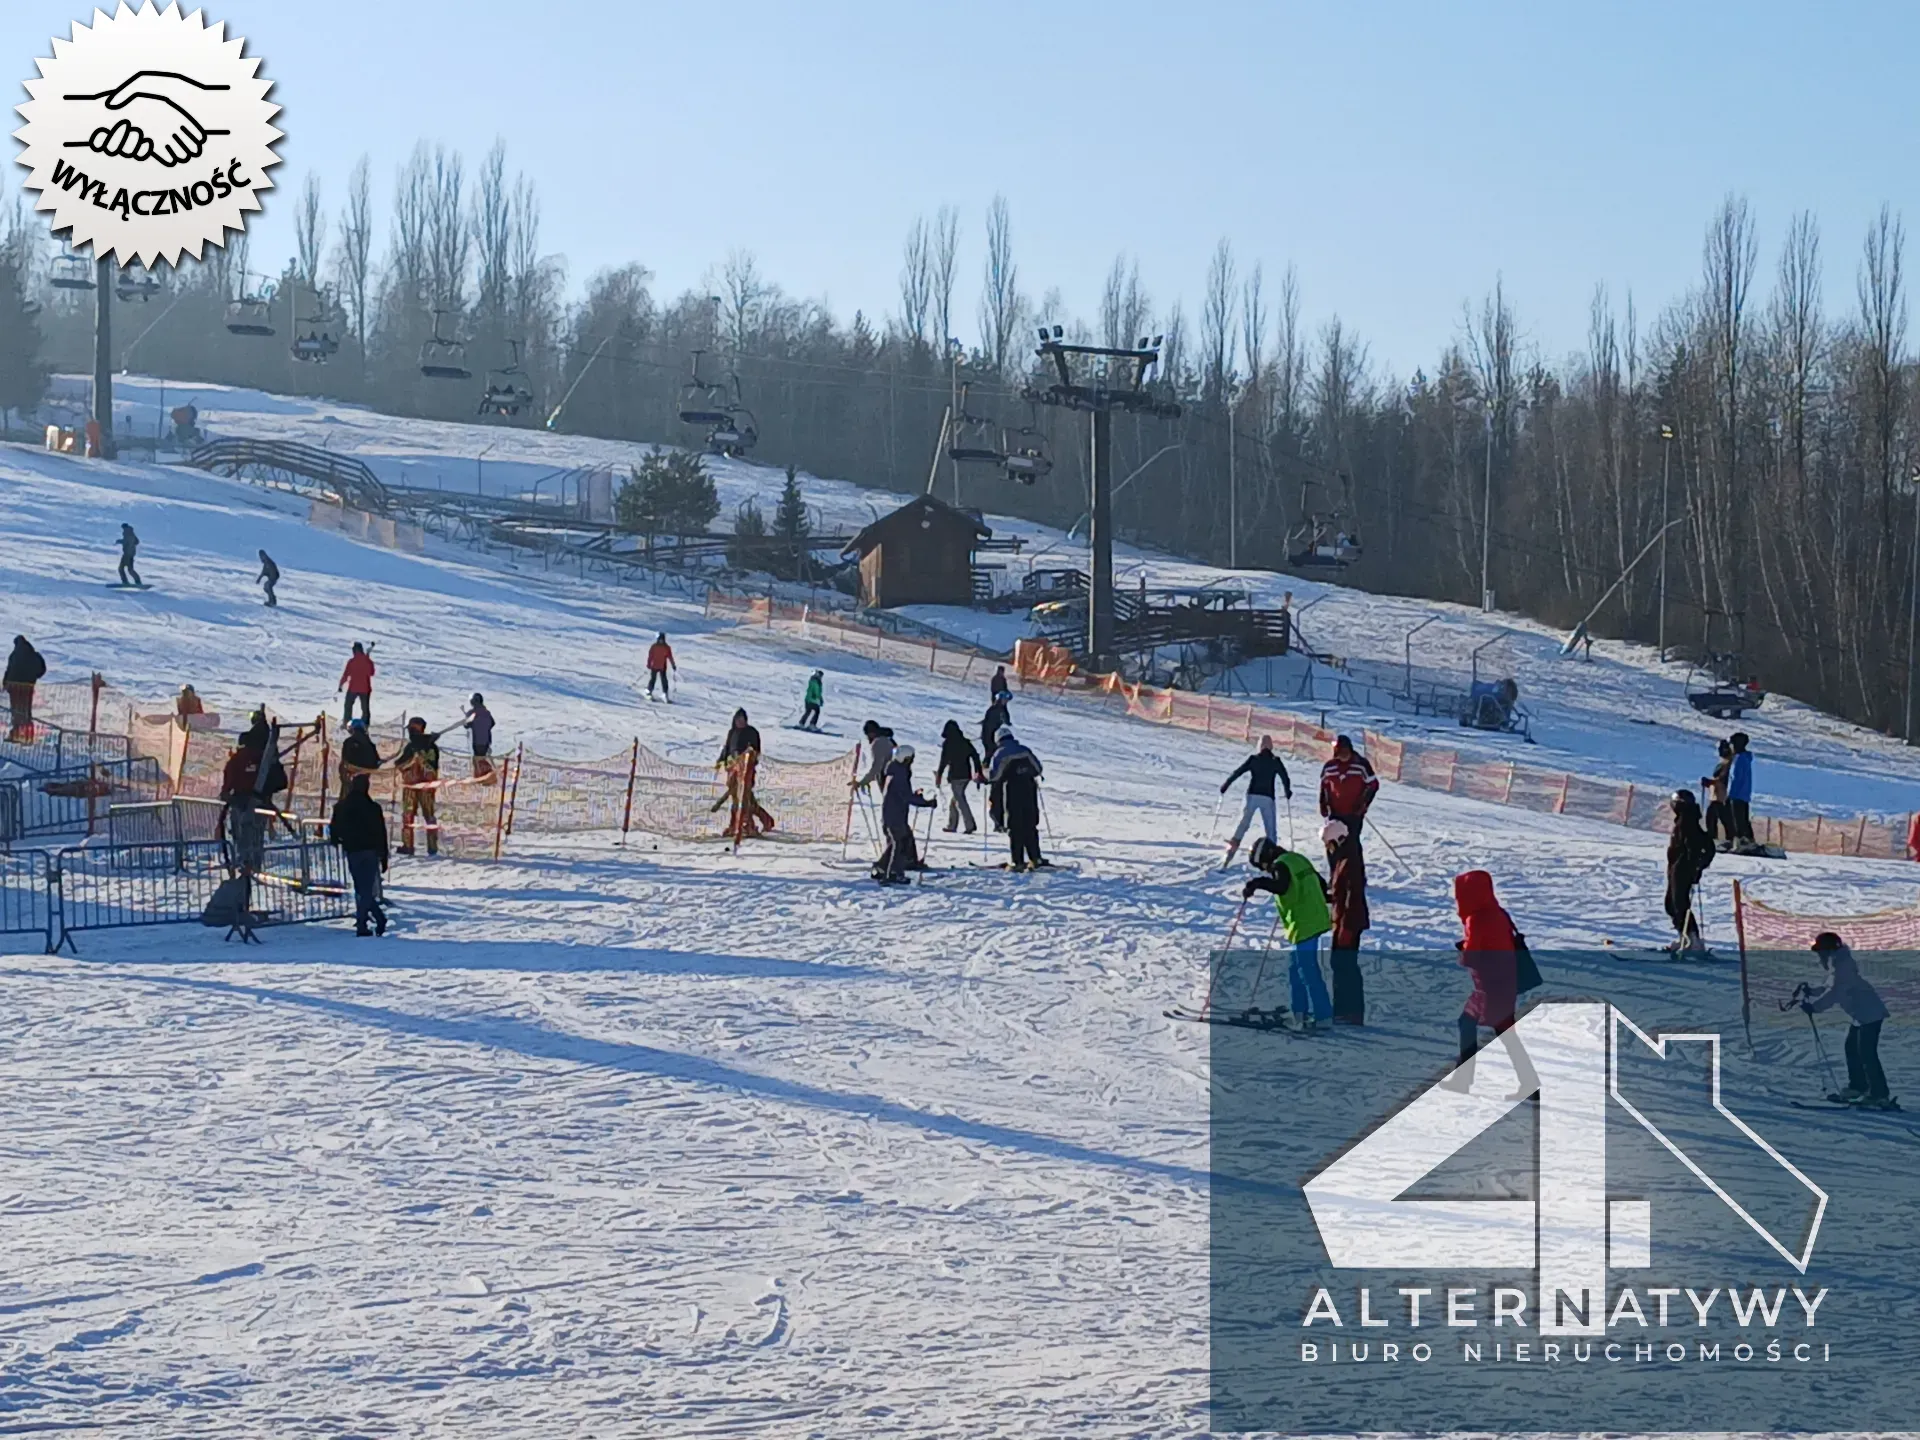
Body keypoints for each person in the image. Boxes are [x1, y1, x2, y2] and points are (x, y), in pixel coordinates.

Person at [1447, 869, 1538, 1096]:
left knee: (1468, 1024)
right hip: (1505, 982)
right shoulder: (1498, 912)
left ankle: (1464, 1079)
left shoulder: (1475, 919)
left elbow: (1472, 957)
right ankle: (1529, 1084)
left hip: (1488, 987)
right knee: (1504, 1032)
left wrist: (1463, 950)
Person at [1241, 837, 1333, 1029]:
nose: (1265, 870)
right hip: (1313, 919)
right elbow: (1321, 883)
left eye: (1262, 866)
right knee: (1295, 969)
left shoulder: (1280, 866)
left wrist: (1257, 884)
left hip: (1304, 922)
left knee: (1307, 970)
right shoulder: (1297, 858)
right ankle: (1299, 1012)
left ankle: (1323, 1016)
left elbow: (1281, 886)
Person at [1801, 932, 1892, 1107]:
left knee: (1867, 1054)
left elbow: (1835, 992)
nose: (1820, 954)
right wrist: (1812, 992)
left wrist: (1814, 1007)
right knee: (1852, 1049)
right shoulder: (1837, 964)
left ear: (1829, 949)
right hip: (1860, 1015)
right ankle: (1858, 1086)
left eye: (1821, 950)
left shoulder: (1842, 966)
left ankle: (1879, 1094)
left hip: (1869, 1015)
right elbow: (1829, 986)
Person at [328, 772, 390, 937]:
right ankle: (374, 919)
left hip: (353, 851)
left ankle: (366, 922)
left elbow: (334, 828)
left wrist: (337, 839)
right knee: (366, 890)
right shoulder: (373, 808)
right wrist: (384, 856)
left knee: (362, 889)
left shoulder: (342, 806)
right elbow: (381, 833)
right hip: (370, 852)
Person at [1220, 735, 1292, 868]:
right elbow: (1285, 777)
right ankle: (1272, 859)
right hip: (1267, 797)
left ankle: (1230, 853)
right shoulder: (1275, 761)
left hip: (1252, 796)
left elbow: (1238, 772)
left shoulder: (1254, 759)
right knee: (1271, 830)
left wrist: (1226, 784)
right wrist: (1287, 791)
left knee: (1243, 824)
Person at [1324, 818, 1370, 1024]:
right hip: (1343, 920)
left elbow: (1352, 895)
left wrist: (1346, 928)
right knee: (1340, 963)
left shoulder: (1350, 860)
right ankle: (1343, 1009)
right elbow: (1340, 892)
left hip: (1349, 922)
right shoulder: (1344, 857)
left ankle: (1350, 1011)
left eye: (1328, 844)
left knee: (1345, 965)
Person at [987, 725, 1048, 871]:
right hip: (1029, 789)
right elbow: (1038, 769)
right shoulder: (1024, 750)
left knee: (1015, 826)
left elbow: (994, 776)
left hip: (1012, 791)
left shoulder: (1000, 754)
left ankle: (1018, 860)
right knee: (1030, 823)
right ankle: (1035, 857)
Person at [874, 743, 936, 885]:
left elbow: (901, 794)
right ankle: (893, 874)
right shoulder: (900, 774)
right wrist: (926, 802)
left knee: (898, 843)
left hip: (892, 812)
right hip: (896, 815)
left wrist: (915, 796)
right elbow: (905, 796)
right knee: (899, 844)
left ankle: (882, 868)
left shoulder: (894, 770)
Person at [1665, 789, 1716, 952]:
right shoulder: (1685, 819)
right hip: (1677, 868)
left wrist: (1697, 866)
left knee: (1679, 904)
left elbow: (1704, 846)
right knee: (1672, 904)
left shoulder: (1687, 822)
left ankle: (1693, 940)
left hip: (1682, 869)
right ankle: (1685, 937)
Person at [714, 708, 774, 838]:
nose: (740, 722)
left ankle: (746, 825)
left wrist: (747, 758)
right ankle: (764, 820)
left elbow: (755, 751)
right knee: (740, 799)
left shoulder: (751, 732)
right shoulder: (732, 732)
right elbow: (727, 749)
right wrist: (721, 761)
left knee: (744, 799)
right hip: (732, 771)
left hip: (747, 771)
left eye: (742, 719)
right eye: (737, 719)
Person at [1319, 734, 1379, 847]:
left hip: (1353, 813)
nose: (1343, 753)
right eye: (1341, 751)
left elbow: (1373, 785)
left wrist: (1363, 804)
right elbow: (1324, 786)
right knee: (1333, 843)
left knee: (1351, 844)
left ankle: (1355, 864)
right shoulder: (1330, 767)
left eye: (1345, 750)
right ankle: (1336, 864)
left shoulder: (1361, 764)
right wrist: (1323, 803)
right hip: (1335, 813)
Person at [395, 717, 442, 856]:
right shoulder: (420, 746)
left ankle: (421, 847)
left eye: (412, 728)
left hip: (419, 786)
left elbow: (402, 764)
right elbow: (401, 763)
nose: (410, 731)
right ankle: (418, 846)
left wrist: (416, 759)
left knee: (419, 815)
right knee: (418, 816)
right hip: (419, 786)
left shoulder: (423, 747)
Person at [935, 719, 983, 835]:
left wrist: (939, 775)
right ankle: (952, 825)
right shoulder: (964, 742)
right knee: (955, 800)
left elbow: (943, 761)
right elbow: (975, 756)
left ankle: (970, 825)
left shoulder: (948, 744)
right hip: (966, 775)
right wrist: (978, 771)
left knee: (960, 800)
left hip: (956, 776)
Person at [5, 635, 47, 741]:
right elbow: (42, 668)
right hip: (28, 687)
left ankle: (16, 734)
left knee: (16, 710)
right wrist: (33, 678)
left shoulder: (14, 655)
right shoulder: (34, 655)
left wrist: (6, 683)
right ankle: (28, 735)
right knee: (26, 710)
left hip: (14, 687)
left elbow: (8, 670)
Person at [980, 693, 1012, 827]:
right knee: (992, 757)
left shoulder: (1002, 709)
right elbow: (988, 728)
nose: (1005, 702)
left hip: (998, 740)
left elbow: (1006, 720)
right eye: (1004, 700)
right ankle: (985, 771)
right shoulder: (994, 710)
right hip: (992, 740)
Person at [1702, 740, 1735, 849]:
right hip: (1716, 795)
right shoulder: (1723, 763)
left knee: (1714, 818)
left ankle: (1721, 840)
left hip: (1721, 796)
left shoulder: (1728, 764)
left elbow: (1722, 779)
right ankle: (1725, 839)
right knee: (1720, 819)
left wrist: (1711, 782)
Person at [1728, 732, 1756, 850]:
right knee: (1743, 819)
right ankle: (1748, 840)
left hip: (1737, 794)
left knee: (1738, 820)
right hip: (1744, 794)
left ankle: (1742, 842)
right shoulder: (1745, 758)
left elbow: (1736, 778)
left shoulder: (1739, 758)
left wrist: (1729, 795)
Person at [339, 716, 382, 792]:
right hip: (367, 772)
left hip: (353, 772)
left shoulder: (349, 742)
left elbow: (345, 758)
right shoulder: (370, 743)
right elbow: (376, 761)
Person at [338, 642, 376, 726]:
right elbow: (371, 673)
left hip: (353, 688)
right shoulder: (367, 660)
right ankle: (365, 725)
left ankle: (346, 723)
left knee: (348, 705)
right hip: (365, 688)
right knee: (365, 709)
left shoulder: (351, 662)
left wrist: (340, 685)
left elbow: (346, 675)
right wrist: (368, 660)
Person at [856, 719, 896, 792]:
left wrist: (864, 781)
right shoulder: (887, 739)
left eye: (867, 734)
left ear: (872, 733)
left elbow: (877, 766)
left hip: (888, 778)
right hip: (894, 776)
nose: (868, 737)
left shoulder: (879, 742)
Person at [462, 693, 496, 779]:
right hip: (486, 740)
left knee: (477, 759)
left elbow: (466, 725)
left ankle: (482, 776)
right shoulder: (487, 713)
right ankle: (482, 775)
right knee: (481, 757)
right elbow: (492, 723)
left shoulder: (472, 713)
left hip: (476, 739)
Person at [646, 632, 676, 702]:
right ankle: (649, 691)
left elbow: (670, 657)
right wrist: (649, 664)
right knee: (653, 679)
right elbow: (650, 656)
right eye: (660, 639)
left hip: (662, 666)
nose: (661, 641)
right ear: (657, 639)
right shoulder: (654, 647)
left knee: (664, 680)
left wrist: (673, 665)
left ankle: (665, 694)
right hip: (654, 665)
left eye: (662, 639)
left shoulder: (667, 648)